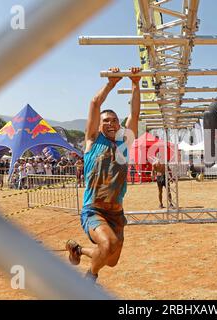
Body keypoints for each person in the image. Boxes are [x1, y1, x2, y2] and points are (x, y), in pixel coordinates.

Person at [65, 67, 141, 285]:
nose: (110, 123)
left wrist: (135, 83)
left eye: (114, 120)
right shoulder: (92, 140)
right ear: (98, 125)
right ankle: (90, 279)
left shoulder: (124, 143)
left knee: (111, 260)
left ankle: (78, 250)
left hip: (117, 214)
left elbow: (135, 114)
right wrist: (111, 83)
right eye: (105, 120)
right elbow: (94, 104)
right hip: (94, 210)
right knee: (106, 246)